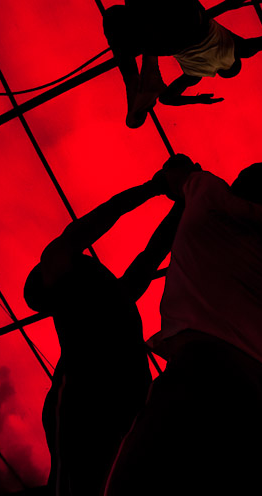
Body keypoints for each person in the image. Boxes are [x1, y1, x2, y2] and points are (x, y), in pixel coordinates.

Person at [104, 155, 262, 496]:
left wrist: (168, 175)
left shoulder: (208, 191)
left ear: (237, 185)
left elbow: (177, 174)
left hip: (210, 370)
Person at [23, 170, 183, 496]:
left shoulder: (110, 296)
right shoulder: (88, 286)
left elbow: (148, 256)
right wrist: (159, 189)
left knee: (108, 481)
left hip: (121, 395)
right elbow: (107, 221)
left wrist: (176, 202)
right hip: (90, 397)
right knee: (84, 483)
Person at [103, 0, 262, 128]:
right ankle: (133, 77)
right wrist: (196, 101)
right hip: (166, 42)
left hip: (191, 17)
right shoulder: (196, 74)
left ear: (233, 65)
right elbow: (167, 98)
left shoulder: (238, 50)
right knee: (114, 18)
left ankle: (137, 75)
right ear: (220, 73)